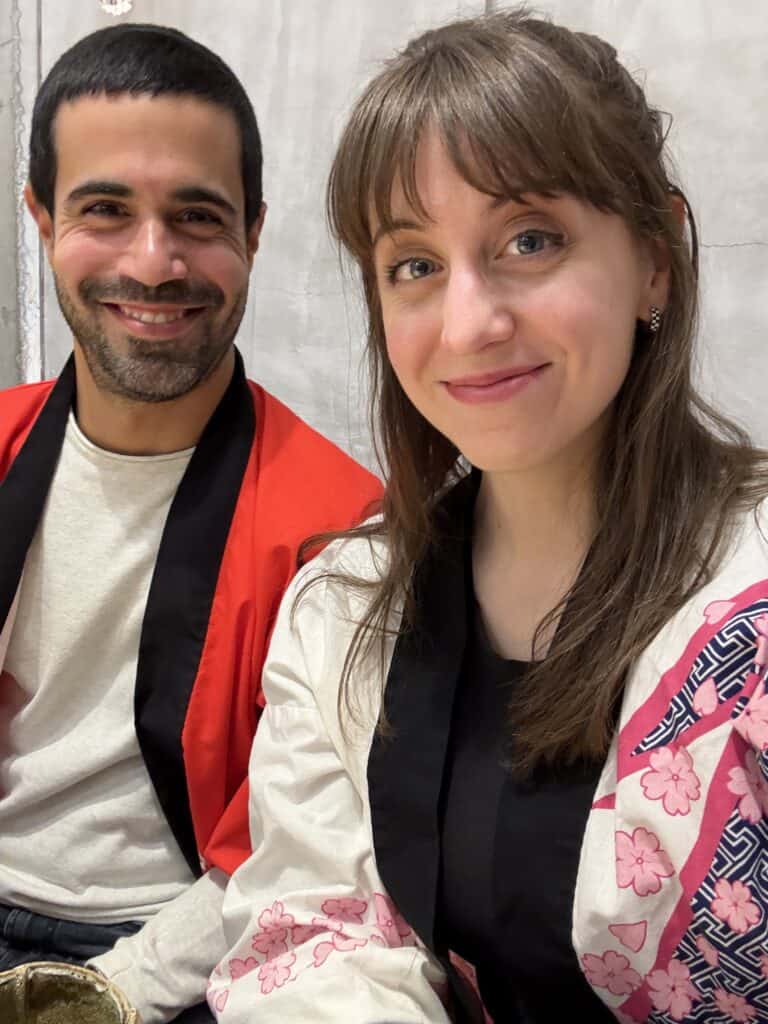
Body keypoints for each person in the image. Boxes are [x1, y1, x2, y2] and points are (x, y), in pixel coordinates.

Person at [208, 8, 768, 1024]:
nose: (468, 323)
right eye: (415, 265)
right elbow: (314, 932)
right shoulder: (344, 608)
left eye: (529, 240)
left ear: (653, 260)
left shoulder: (751, 600)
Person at [0, 22, 381, 1024]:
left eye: (198, 217)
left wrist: (106, 994)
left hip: (190, 947)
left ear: (254, 231)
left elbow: (301, 846)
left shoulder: (342, 527)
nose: (154, 262)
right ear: (40, 217)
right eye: (105, 210)